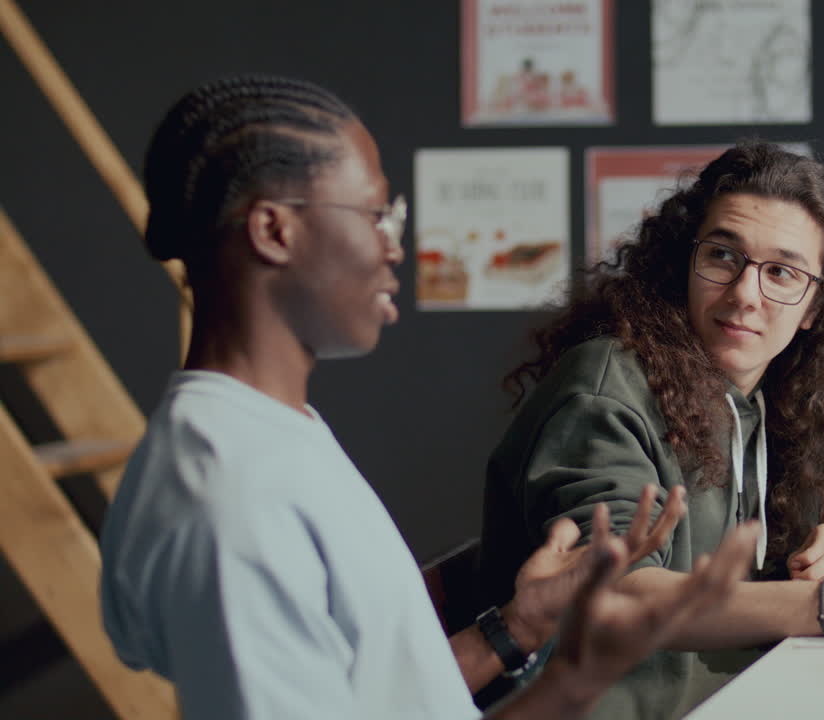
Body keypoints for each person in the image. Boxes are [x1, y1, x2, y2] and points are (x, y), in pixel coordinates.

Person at [97, 74, 759, 720]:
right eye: (376, 214)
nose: (395, 246)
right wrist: (577, 681)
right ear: (274, 230)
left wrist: (520, 623)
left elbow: (373, 695)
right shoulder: (231, 496)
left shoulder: (266, 433)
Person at [479, 140, 824, 718]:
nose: (746, 295)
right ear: (684, 264)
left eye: (781, 272)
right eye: (724, 256)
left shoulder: (781, 394)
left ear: (814, 308)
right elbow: (615, 593)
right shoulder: (605, 388)